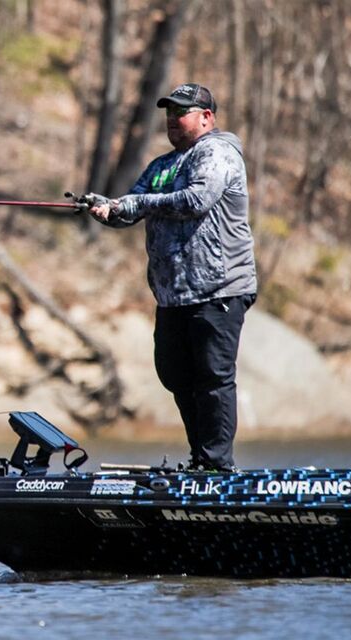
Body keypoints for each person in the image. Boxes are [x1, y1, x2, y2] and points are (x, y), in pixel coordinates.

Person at [87, 82, 258, 472]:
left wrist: (138, 203)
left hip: (220, 287)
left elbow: (197, 199)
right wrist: (107, 208)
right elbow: (130, 209)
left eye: (180, 113)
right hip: (174, 294)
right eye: (168, 114)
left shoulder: (218, 152)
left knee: (213, 376)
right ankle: (200, 459)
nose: (172, 121)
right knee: (175, 375)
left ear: (205, 117)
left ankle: (216, 465)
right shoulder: (162, 167)